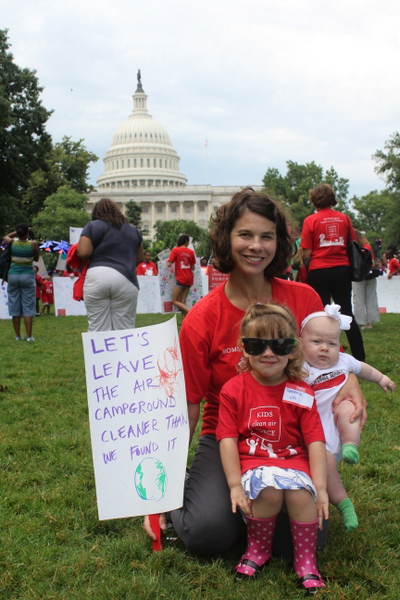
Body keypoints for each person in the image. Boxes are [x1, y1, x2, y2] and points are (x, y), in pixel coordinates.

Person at [144, 188, 366, 556]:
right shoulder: (202, 318)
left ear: (279, 243)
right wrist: (159, 489)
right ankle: (200, 491)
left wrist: (353, 379)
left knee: (297, 540)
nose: (256, 246)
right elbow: (189, 407)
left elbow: (328, 365)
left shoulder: (304, 299)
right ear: (226, 239)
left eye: (267, 236)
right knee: (206, 534)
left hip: (292, 440)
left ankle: (252, 512)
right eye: (245, 234)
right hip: (226, 437)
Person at [217, 303, 328, 593]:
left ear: (292, 349)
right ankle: (257, 549)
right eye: (257, 345)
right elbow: (227, 438)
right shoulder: (232, 389)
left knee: (302, 496)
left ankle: (305, 560)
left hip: (294, 463)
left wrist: (321, 487)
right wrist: (234, 486)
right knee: (268, 490)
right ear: (243, 348)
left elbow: (315, 440)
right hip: (255, 463)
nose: (268, 353)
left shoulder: (301, 391)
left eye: (279, 345)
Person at [301, 304, 395, 533]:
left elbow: (363, 369)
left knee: (348, 408)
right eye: (316, 342)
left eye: (331, 343)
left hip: (337, 423)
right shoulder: (301, 369)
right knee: (326, 463)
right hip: (316, 430)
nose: (325, 349)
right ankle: (344, 503)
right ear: (301, 343)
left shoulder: (344, 361)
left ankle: (352, 446)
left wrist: (381, 378)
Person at [301, 184, 365, 361]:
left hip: (319, 270)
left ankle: (320, 352)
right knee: (346, 310)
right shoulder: (344, 218)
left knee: (319, 313)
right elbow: (351, 243)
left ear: (314, 200)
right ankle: (359, 355)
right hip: (341, 269)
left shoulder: (310, 221)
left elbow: (306, 251)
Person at [77, 198, 144, 331]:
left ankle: (99, 350)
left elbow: (83, 252)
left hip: (97, 275)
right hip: (126, 278)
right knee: (125, 328)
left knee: (97, 327)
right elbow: (140, 257)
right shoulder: (133, 230)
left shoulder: (92, 226)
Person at [4, 223, 39, 341]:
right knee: (28, 306)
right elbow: (36, 258)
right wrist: (27, 231)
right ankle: (29, 336)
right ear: (27, 233)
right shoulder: (33, 244)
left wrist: (17, 231)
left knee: (15, 305)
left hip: (13, 275)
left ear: (18, 232)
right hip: (27, 276)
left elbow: (6, 236)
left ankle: (18, 335)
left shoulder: (12, 243)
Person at [352, 230, 380, 329]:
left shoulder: (354, 247)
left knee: (358, 299)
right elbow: (372, 261)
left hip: (358, 275)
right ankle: (370, 321)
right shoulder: (367, 247)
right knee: (371, 297)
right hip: (370, 274)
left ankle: (361, 322)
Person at [167, 234, 196, 315]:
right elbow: (193, 267)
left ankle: (192, 312)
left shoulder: (175, 250)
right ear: (186, 241)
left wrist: (167, 260)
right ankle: (184, 323)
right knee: (183, 301)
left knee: (174, 301)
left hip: (181, 278)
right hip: (190, 278)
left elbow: (169, 264)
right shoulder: (191, 252)